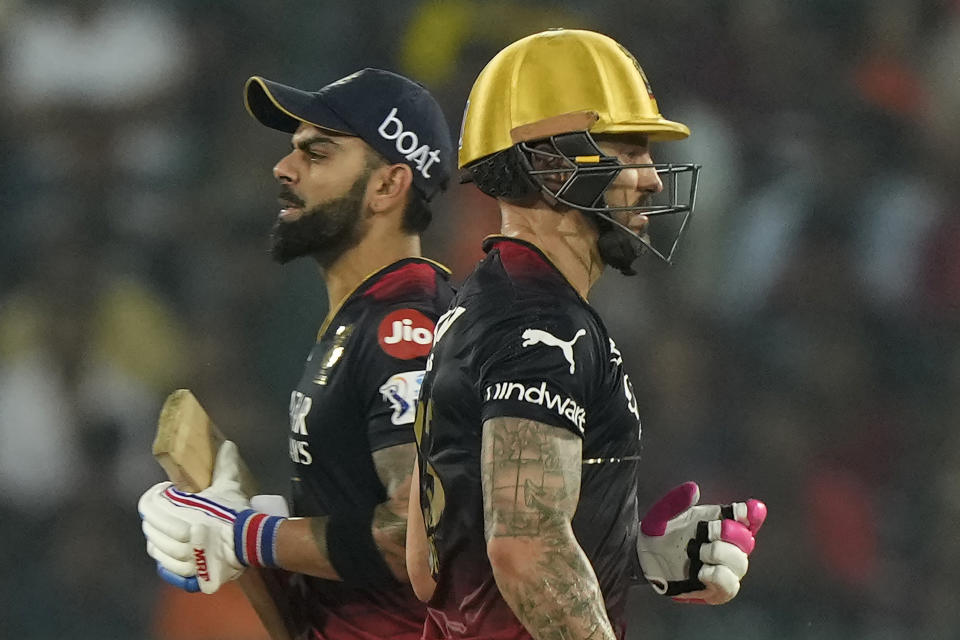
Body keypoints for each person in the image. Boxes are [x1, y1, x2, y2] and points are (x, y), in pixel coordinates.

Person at [405, 29, 767, 640]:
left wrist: (626, 554)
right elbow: (526, 547)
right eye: (630, 153)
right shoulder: (543, 324)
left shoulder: (479, 308)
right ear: (552, 166)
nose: (652, 180)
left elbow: (429, 562)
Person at [138, 68, 456, 639]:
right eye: (293, 151)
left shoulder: (404, 326)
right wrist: (259, 539)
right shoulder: (364, 319)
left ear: (388, 186)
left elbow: (422, 537)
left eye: (319, 153)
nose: (285, 168)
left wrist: (244, 533)